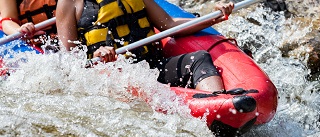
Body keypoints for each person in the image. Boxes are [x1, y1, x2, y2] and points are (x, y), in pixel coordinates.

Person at [56, 0, 234, 92]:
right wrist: (96, 56)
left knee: (200, 58)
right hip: (113, 80)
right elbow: (70, 61)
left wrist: (214, 17)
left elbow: (170, 24)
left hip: (151, 68)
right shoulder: (69, 3)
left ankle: (218, 103)